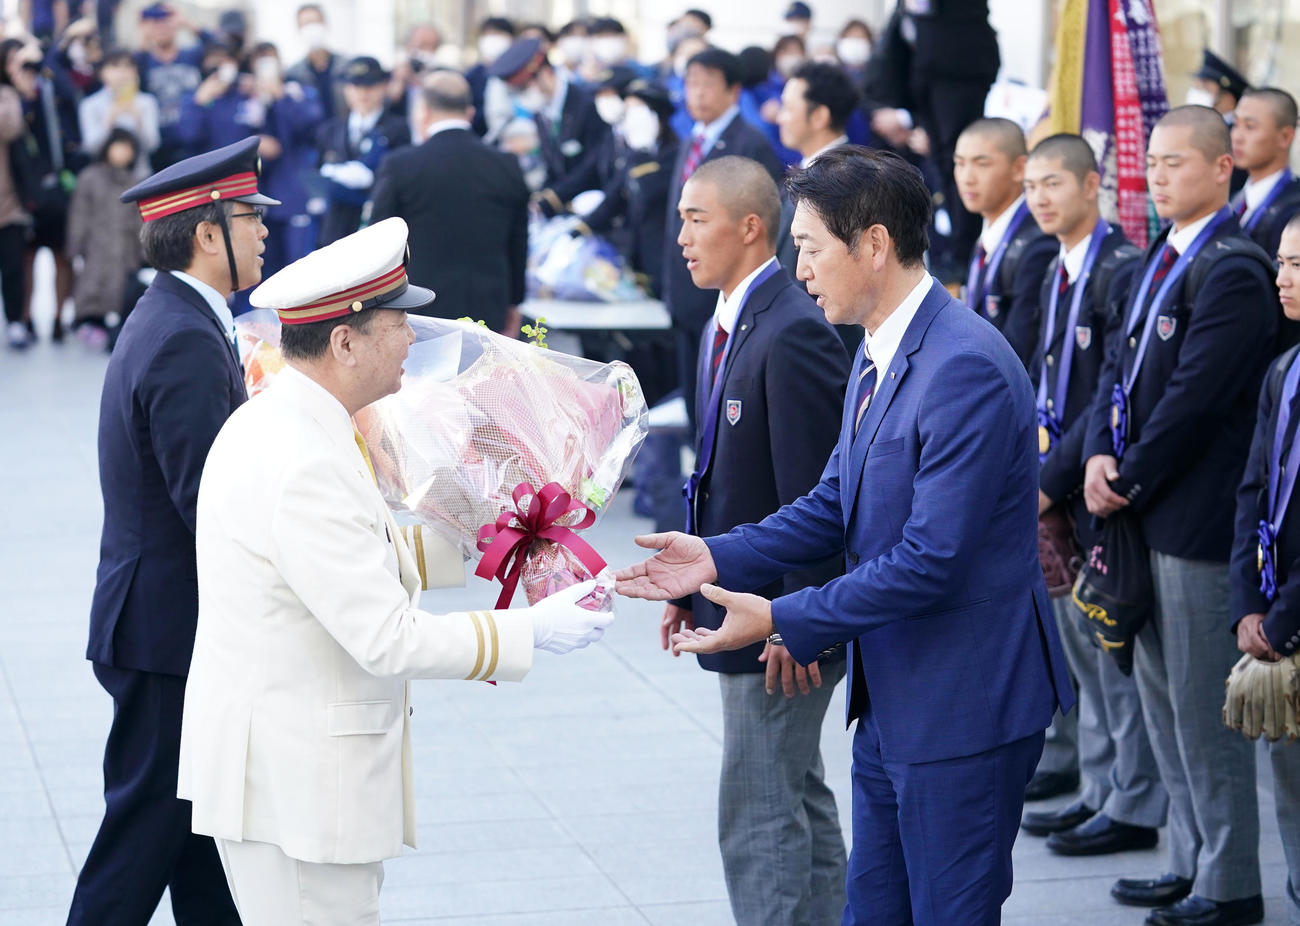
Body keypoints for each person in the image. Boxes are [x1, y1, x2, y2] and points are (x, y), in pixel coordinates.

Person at [617, 145, 1074, 925]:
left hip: (962, 702)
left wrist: (785, 616)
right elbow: (834, 501)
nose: (801, 271)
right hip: (893, 693)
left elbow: (931, 560)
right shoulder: (875, 349)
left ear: (873, 245)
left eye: (810, 248)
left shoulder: (961, 364)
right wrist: (716, 555)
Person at [178, 217, 613, 925]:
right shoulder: (302, 457)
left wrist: (493, 536)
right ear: (345, 342)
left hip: (292, 777)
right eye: (398, 322)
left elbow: (348, 557)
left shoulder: (302, 422)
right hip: (297, 793)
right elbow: (384, 635)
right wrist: (527, 631)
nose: (415, 337)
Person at [67, 136, 277, 926]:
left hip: (167, 624)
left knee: (202, 841)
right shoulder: (184, 337)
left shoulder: (181, 316)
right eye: (250, 217)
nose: (263, 231)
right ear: (206, 232)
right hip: (167, 635)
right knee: (141, 839)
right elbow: (211, 504)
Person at [1082, 105, 1276, 926]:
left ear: (1222, 168)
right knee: (1157, 698)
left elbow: (1194, 398)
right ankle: (1188, 858)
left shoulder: (1232, 267)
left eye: (1175, 163)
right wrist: (1097, 451)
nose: (1157, 176)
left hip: (1192, 520)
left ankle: (1229, 883)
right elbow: (1116, 373)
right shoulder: (1160, 255)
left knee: (1202, 712)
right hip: (1141, 509)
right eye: (1150, 163)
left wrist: (1127, 474)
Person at [667, 154, 850, 925]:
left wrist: (798, 625)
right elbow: (727, 479)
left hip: (776, 623)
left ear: (751, 227)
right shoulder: (733, 318)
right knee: (792, 789)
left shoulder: (792, 331)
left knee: (758, 810)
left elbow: (820, 500)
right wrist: (691, 591)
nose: (681, 236)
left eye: (695, 218)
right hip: (741, 604)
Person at [1015, 134, 1167, 856]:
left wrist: (1050, 482)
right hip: (1059, 488)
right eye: (1033, 185)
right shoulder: (1058, 266)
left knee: (1111, 652)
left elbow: (1109, 391)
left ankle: (1133, 799)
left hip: (1090, 488)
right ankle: (1102, 788)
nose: (1041, 197)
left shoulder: (1119, 266)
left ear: (1093, 184)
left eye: (1055, 183)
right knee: (1080, 652)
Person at [1231, 212, 1300, 926]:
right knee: (1289, 788)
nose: (1282, 277)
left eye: (1299, 266)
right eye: (1282, 262)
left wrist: (1281, 616)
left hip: (1292, 616)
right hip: (1274, 613)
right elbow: (1253, 490)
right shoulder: (1284, 368)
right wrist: (1248, 602)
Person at [664, 47, 781, 431]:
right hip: (685, 291)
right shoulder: (690, 139)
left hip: (722, 296)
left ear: (733, 91)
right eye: (691, 84)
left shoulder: (750, 144)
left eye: (707, 85)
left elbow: (763, 221)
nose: (696, 93)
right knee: (692, 405)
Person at [370, 71, 528, 336]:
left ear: (424, 111)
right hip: (489, 304)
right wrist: (514, 301)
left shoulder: (401, 166)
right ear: (469, 112)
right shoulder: (506, 165)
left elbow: (379, 242)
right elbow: (518, 242)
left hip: (418, 307)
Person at [864, 0, 1000, 284]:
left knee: (957, 160)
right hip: (928, 69)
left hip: (958, 67)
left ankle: (964, 251)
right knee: (943, 159)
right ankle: (958, 252)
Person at [180, 41, 323, 285]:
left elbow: (312, 126)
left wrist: (279, 95)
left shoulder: (295, 90)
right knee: (255, 270)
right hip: (246, 196)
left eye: (270, 59)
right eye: (259, 60)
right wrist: (201, 101)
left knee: (300, 269)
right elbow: (194, 136)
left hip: (292, 193)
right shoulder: (228, 96)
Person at [954, 117, 1057, 371]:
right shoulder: (988, 235)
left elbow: (1017, 350)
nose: (967, 177)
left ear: (1019, 168)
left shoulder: (1037, 243)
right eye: (959, 163)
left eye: (981, 164)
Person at [582, 79, 678, 298]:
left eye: (638, 111)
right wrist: (584, 226)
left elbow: (651, 195)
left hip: (663, 255)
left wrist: (642, 153)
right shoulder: (632, 154)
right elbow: (616, 194)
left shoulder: (673, 154)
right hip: (637, 253)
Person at [489, 37, 610, 197]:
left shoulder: (586, 104)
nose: (525, 95)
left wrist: (554, 198)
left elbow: (594, 163)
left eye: (527, 87)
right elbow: (553, 165)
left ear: (546, 73)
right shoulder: (541, 111)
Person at [1230, 86, 1300, 351]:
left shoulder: (1294, 208)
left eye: (1250, 127)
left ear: (1285, 136)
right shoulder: (1234, 201)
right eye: (1235, 125)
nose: (1237, 136)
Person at [314, 56, 409, 246]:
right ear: (346, 89)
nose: (363, 93)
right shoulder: (331, 130)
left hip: (378, 228)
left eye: (370, 86)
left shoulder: (398, 130)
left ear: (384, 86)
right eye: (356, 86)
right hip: (336, 229)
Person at [66, 127, 142, 348]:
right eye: (118, 146)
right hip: (95, 247)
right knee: (92, 290)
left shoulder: (135, 181)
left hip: (125, 249)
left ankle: (114, 332)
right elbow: (79, 213)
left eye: (128, 148)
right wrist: (75, 245)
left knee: (122, 294)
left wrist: (145, 251)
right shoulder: (89, 177)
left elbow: (140, 220)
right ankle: (89, 325)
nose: (122, 152)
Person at [133, 2, 203, 170]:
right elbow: (130, 69)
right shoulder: (143, 61)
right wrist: (144, 35)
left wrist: (186, 22)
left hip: (194, 140)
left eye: (166, 22)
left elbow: (221, 47)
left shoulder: (192, 55)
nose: (162, 28)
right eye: (155, 24)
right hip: (159, 146)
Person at [0, 40, 33, 350]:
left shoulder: (7, 95)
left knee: (12, 266)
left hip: (7, 200)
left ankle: (15, 322)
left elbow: (10, 128)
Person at [78, 48, 160, 173]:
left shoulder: (146, 102)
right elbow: (90, 148)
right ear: (102, 72)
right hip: (103, 178)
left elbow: (153, 145)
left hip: (139, 176)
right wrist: (109, 120)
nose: (122, 72)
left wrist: (139, 121)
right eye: (115, 66)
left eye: (128, 66)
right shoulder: (90, 104)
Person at [286, 3, 345, 120]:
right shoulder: (293, 74)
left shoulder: (345, 66)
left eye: (315, 22)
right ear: (299, 29)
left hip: (342, 134)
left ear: (325, 25)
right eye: (306, 24)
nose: (311, 28)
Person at [464, 15, 515, 138]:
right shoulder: (472, 76)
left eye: (498, 34)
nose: (493, 40)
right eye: (488, 34)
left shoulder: (518, 73)